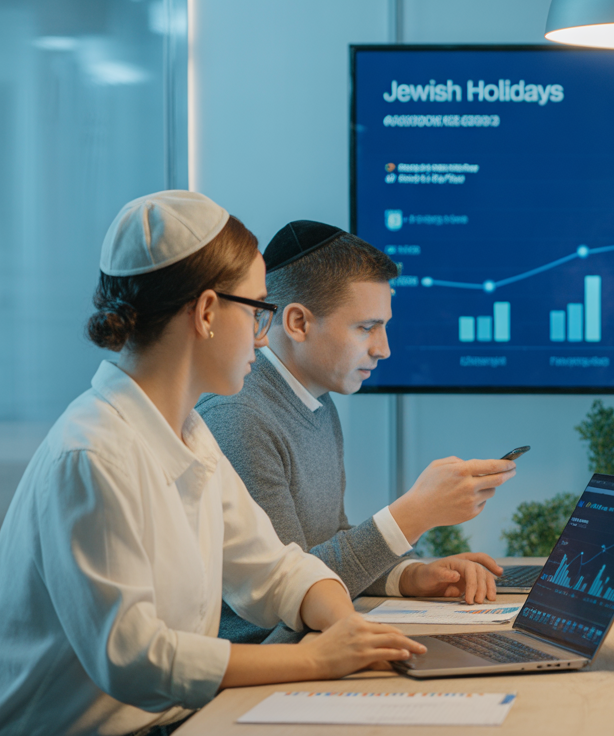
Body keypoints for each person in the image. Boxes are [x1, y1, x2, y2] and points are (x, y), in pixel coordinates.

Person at [0, 192, 426, 735]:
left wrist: (351, 632)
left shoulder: (190, 434)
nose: (262, 333)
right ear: (206, 313)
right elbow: (135, 660)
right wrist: (316, 659)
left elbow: (274, 569)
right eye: (256, 310)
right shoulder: (93, 454)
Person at [197, 220, 515, 645]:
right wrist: (413, 514)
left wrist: (409, 575)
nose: (383, 348)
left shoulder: (316, 401)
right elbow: (289, 594)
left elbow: (327, 548)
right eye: (366, 327)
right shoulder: (238, 418)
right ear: (297, 322)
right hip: (266, 661)